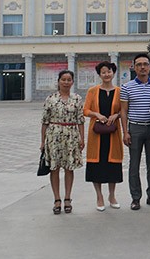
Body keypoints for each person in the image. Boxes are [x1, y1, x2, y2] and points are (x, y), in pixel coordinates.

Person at [120, 53, 150, 210]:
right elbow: (123, 111)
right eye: (139, 64)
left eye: (145, 64)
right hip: (135, 128)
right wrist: (125, 132)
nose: (142, 67)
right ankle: (135, 197)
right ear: (134, 67)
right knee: (134, 165)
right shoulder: (127, 87)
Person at [40, 70, 85, 215]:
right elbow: (45, 121)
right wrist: (42, 142)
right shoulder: (51, 99)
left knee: (69, 167)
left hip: (71, 136)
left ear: (72, 82)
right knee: (54, 168)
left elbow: (80, 120)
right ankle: (57, 199)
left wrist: (82, 138)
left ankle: (67, 198)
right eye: (63, 79)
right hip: (54, 136)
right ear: (58, 81)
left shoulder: (77, 99)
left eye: (69, 80)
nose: (66, 82)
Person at [83, 61, 124, 212]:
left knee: (113, 164)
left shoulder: (119, 91)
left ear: (113, 73)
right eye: (103, 72)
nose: (107, 74)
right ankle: (99, 196)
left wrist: (116, 115)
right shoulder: (92, 91)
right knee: (97, 165)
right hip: (97, 134)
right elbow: (85, 110)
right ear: (99, 75)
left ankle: (112, 196)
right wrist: (96, 114)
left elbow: (124, 110)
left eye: (109, 71)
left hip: (113, 133)